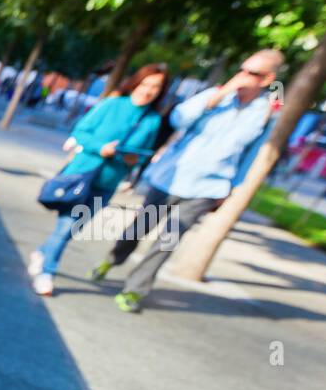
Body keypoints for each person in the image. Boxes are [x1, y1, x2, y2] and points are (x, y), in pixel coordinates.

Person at [91, 49, 284, 312]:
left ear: (267, 79)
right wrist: (220, 94)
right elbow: (177, 118)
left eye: (252, 73)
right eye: (242, 69)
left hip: (207, 187)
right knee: (138, 229)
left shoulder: (264, 114)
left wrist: (230, 189)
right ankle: (114, 258)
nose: (243, 76)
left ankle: (135, 289)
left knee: (169, 239)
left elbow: (249, 156)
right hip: (170, 177)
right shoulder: (215, 96)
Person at [28, 64, 169, 295]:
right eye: (146, 84)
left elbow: (143, 153)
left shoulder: (152, 120)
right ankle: (47, 272)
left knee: (73, 228)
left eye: (156, 87)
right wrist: (100, 148)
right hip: (80, 174)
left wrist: (134, 159)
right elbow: (81, 131)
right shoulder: (113, 104)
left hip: (107, 184)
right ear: (136, 83)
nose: (149, 90)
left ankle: (43, 252)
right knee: (66, 227)